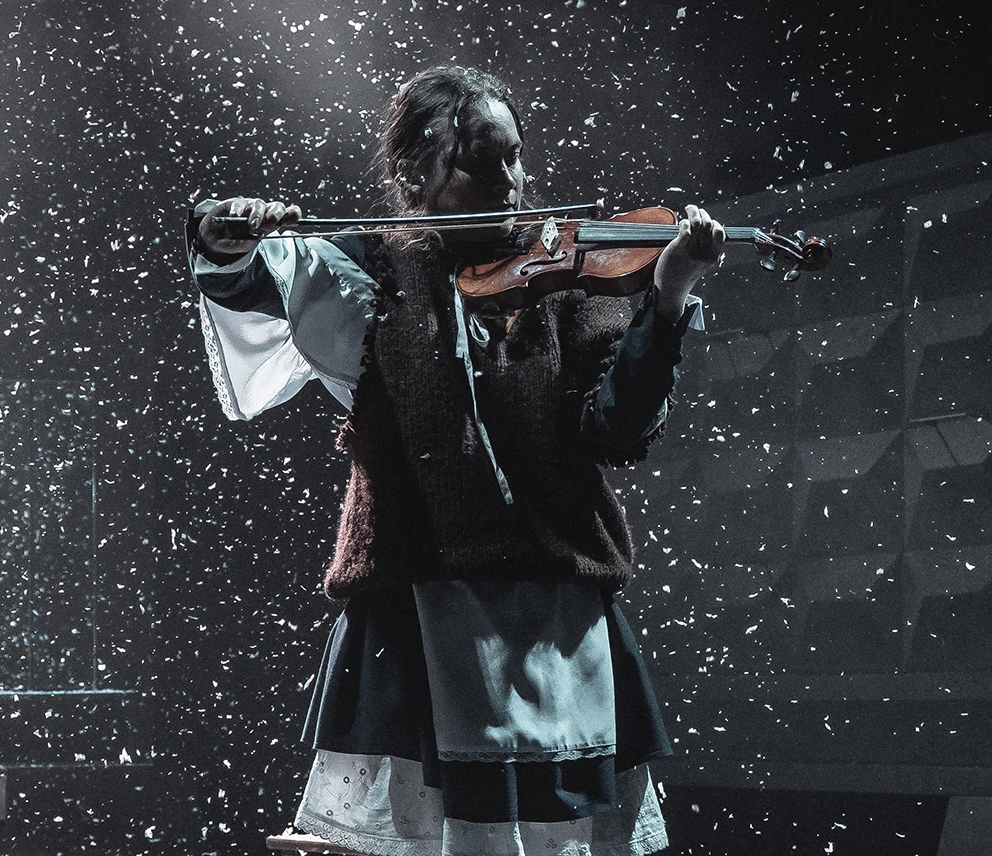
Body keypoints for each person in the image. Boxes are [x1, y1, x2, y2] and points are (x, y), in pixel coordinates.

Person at [184, 66, 724, 856]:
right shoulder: (370, 272)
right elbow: (252, 285)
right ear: (415, 173)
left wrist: (669, 296)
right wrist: (220, 237)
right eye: (480, 162)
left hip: (555, 615)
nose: (510, 184)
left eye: (515, 158)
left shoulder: (573, 278)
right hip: (420, 606)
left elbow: (616, 432)